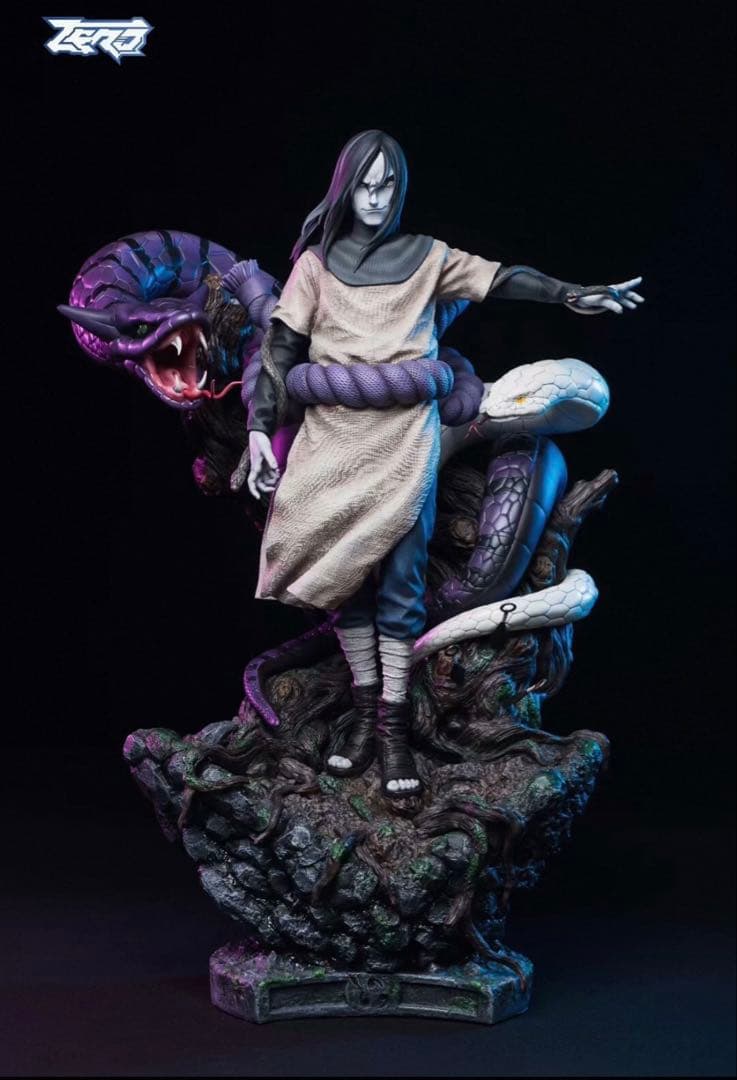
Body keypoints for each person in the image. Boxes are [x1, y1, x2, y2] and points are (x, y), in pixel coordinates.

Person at [237, 129, 643, 798]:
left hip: (403, 443)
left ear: (401, 189)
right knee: (345, 583)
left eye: (387, 185)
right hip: (332, 440)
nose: (375, 199)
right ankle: (363, 718)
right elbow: (281, 349)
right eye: (364, 185)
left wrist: (570, 292)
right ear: (345, 189)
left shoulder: (427, 257)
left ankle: (392, 732)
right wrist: (258, 431)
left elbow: (501, 278)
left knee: (401, 579)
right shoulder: (315, 266)